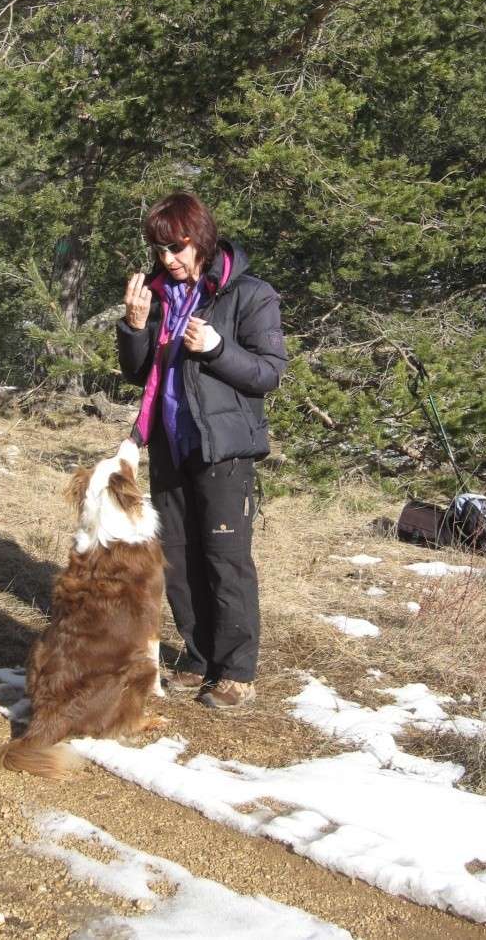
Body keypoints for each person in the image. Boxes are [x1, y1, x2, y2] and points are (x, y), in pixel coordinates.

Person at [117, 191, 288, 710]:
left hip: (223, 449)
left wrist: (215, 348)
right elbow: (136, 372)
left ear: (201, 239)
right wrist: (134, 325)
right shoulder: (156, 293)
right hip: (169, 441)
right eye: (159, 250)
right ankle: (197, 656)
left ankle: (236, 669)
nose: (168, 259)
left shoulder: (250, 295)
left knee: (225, 558)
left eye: (177, 247)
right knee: (178, 556)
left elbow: (268, 373)